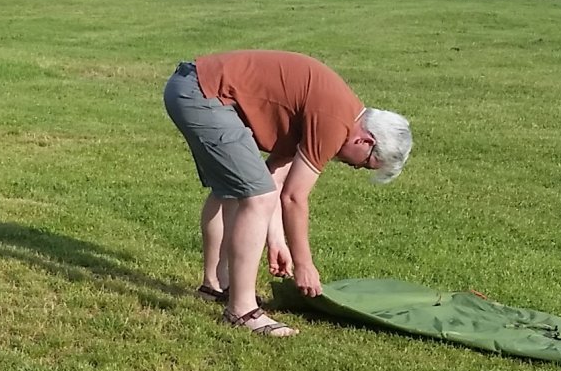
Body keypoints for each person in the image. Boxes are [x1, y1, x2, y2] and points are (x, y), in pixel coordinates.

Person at [162, 50, 412, 338]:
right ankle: (241, 311)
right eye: (366, 163)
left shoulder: (334, 112)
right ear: (365, 140)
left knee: (231, 191)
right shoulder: (335, 121)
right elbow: (293, 198)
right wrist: (304, 265)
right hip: (202, 94)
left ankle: (215, 286)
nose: (355, 168)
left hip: (192, 85)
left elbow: (275, 179)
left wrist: (277, 240)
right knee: (256, 196)